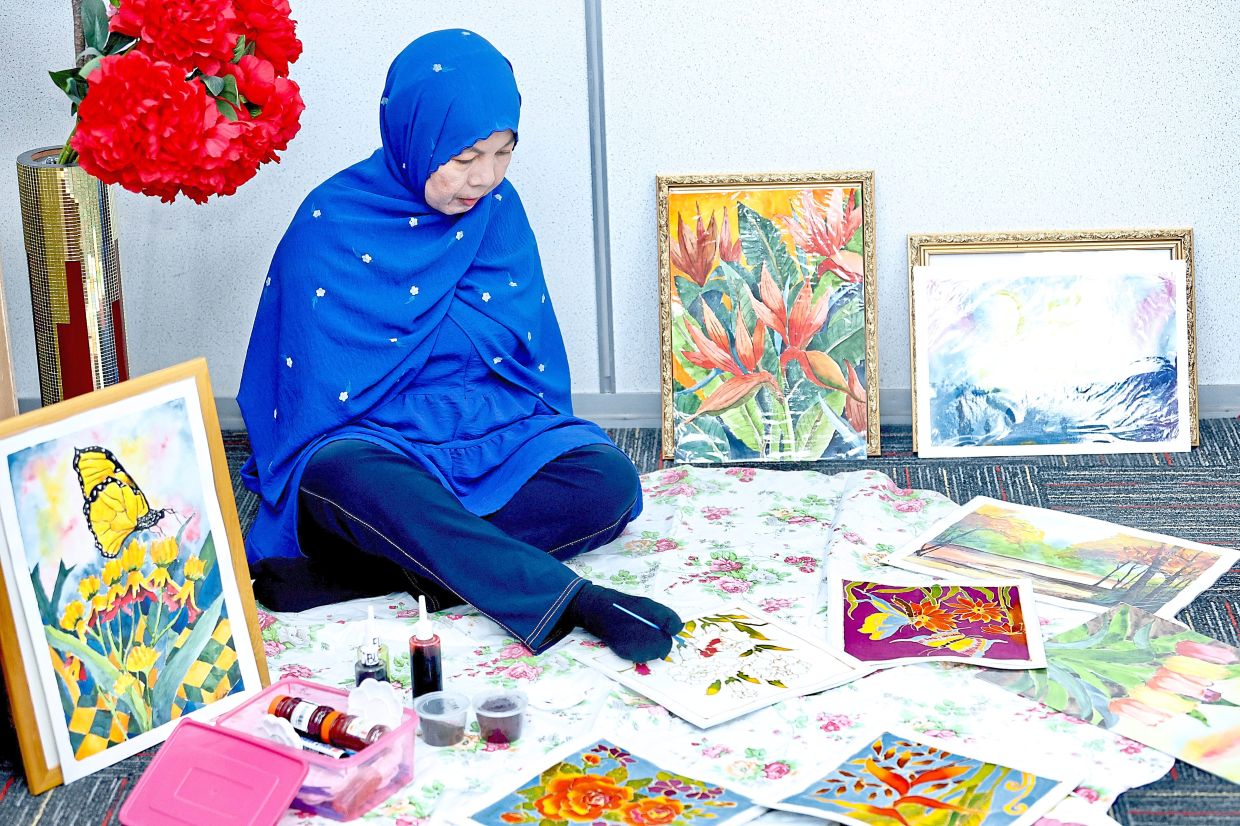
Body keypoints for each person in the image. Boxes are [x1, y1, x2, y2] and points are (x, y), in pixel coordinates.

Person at [237, 30, 681, 663]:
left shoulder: (497, 208)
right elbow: (312, 408)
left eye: (503, 153)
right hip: (373, 448)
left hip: (486, 425)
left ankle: (376, 573)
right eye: (466, 156)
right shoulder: (331, 222)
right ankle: (572, 599)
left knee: (606, 483)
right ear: (414, 135)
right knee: (356, 483)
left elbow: (519, 360)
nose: (485, 177)